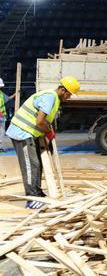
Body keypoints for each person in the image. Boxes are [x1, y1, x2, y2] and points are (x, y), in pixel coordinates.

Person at [7, 76, 80, 209]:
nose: (69, 97)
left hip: (29, 133)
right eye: (69, 94)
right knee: (31, 165)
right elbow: (40, 121)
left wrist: (46, 134)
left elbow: (44, 120)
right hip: (22, 132)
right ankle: (31, 199)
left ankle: (38, 193)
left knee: (38, 164)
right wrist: (48, 133)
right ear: (63, 90)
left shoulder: (54, 99)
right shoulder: (50, 97)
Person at [0, 78, 16, 152]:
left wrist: (15, 95)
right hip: (1, 115)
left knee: (2, 132)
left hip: (2, 116)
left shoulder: (1, 93)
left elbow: (8, 98)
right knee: (1, 131)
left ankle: (0, 147)